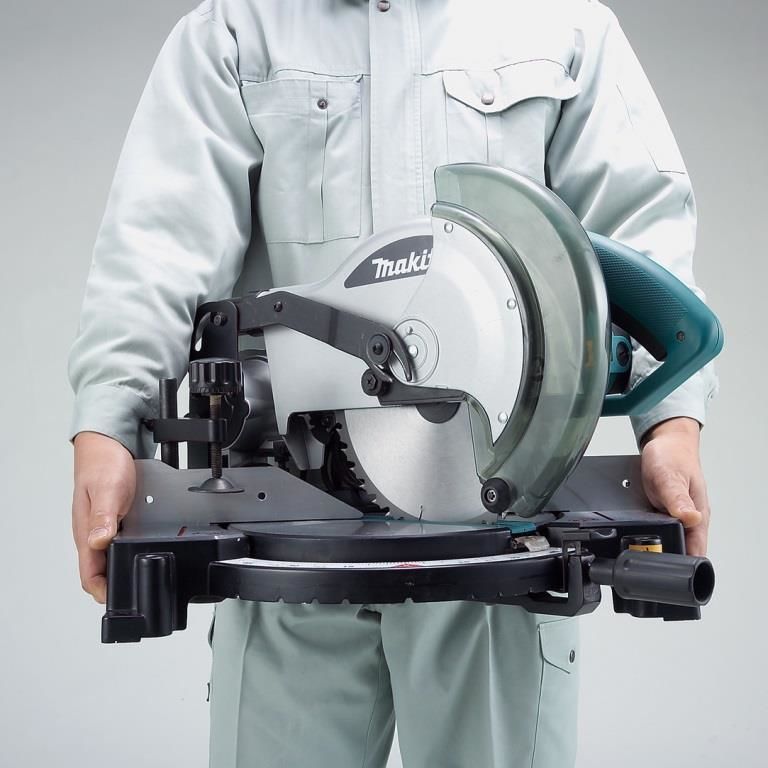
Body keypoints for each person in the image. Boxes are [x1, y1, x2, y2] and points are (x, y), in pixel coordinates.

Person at [69, 1, 718, 766]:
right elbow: (155, 244)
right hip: (293, 527)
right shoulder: (239, 30)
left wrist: (670, 424)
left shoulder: (561, 25)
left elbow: (640, 229)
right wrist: (108, 427)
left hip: (499, 528)